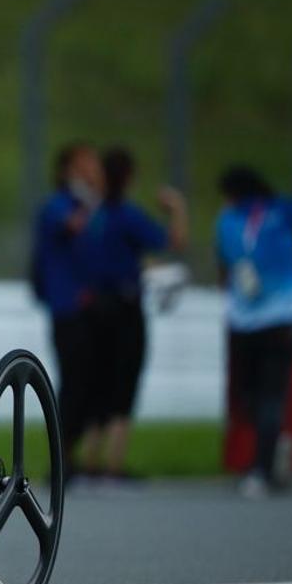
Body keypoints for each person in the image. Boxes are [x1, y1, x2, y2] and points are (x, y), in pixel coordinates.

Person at [79, 147, 188, 481]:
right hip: (124, 309)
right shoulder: (127, 215)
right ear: (127, 178)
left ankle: (88, 461)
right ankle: (113, 464)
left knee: (96, 383)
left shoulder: (92, 215)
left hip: (94, 307)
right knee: (123, 383)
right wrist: (177, 208)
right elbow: (174, 241)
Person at [214, 165, 292, 499]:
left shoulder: (259, 214)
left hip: (269, 318)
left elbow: (223, 268)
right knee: (254, 395)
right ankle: (274, 445)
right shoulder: (245, 217)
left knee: (265, 394)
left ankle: (261, 469)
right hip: (257, 318)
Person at [30, 142, 102, 478]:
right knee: (73, 383)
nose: (90, 171)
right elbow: (72, 226)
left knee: (89, 382)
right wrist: (92, 196)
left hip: (88, 305)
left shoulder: (83, 207)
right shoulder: (59, 206)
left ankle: (78, 457)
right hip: (66, 306)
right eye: (83, 165)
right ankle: (62, 460)